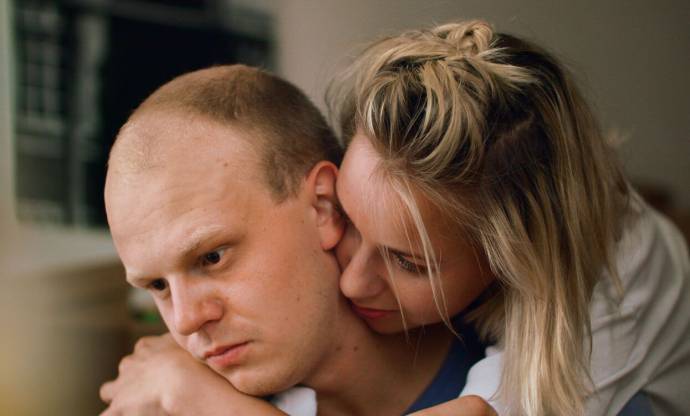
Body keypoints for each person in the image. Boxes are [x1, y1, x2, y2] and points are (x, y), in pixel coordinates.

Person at [327, 19, 690, 415]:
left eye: (408, 262)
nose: (352, 283)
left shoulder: (608, 299)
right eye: (346, 219)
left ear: (512, 253)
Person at [100, 64, 493, 415]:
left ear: (322, 207)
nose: (186, 321)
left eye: (213, 257)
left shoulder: (523, 370)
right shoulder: (156, 404)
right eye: (157, 285)